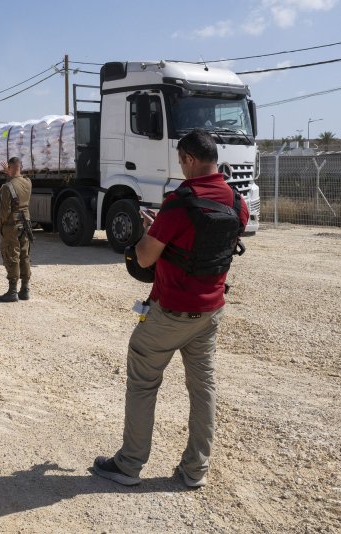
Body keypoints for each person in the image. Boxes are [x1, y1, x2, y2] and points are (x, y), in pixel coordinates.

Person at [93, 129, 249, 488]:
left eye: (181, 161)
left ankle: (129, 465)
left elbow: (146, 256)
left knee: (143, 382)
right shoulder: (236, 202)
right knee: (203, 387)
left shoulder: (180, 203)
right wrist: (164, 231)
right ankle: (195, 471)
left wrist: (151, 232)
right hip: (210, 311)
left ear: (190, 159)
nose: (180, 167)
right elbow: (211, 245)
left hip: (171, 311)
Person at [0, 157, 33, 302]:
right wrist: (11, 173)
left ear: (11, 167)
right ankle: (24, 290)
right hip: (25, 225)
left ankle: (12, 291)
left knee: (11, 255)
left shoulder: (7, 187)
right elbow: (19, 179)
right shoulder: (28, 182)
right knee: (24, 255)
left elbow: (4, 210)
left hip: (11, 226)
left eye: (8, 168)